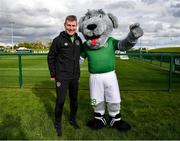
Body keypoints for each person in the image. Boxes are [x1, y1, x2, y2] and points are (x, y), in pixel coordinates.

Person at [47, 15, 82, 136]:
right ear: (65, 25)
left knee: (74, 100)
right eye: (69, 25)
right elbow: (50, 57)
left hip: (74, 77)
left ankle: (72, 120)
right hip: (62, 77)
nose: (71, 28)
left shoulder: (78, 40)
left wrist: (77, 73)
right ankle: (58, 124)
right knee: (60, 101)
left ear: (76, 26)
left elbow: (78, 57)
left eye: (73, 26)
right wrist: (53, 74)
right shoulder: (58, 40)